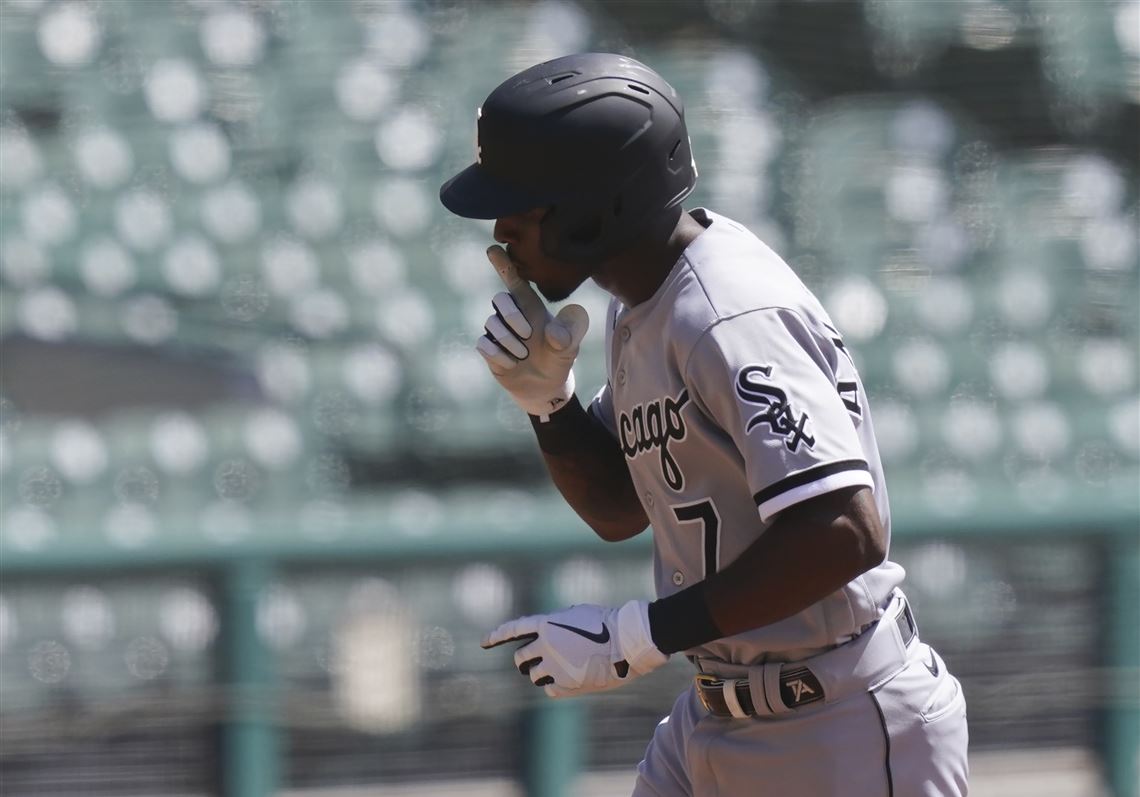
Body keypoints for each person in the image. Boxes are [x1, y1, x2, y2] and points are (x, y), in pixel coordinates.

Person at [438, 52, 969, 797]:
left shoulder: (728, 312)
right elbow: (624, 507)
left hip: (838, 723)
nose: (500, 227)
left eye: (524, 203)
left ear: (595, 206)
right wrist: (550, 406)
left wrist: (637, 635)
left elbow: (845, 529)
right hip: (717, 716)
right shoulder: (642, 298)